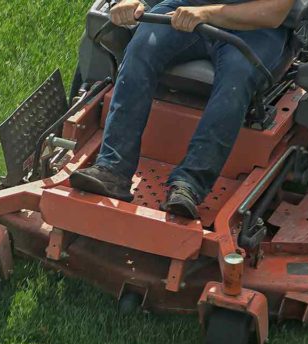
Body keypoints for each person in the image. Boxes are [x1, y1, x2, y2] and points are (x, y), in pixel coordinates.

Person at [70, 0, 296, 219]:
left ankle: (189, 185)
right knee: (140, 48)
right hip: (184, 8)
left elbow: (274, 11)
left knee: (236, 79)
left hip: (255, 27)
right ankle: (112, 169)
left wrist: (206, 14)